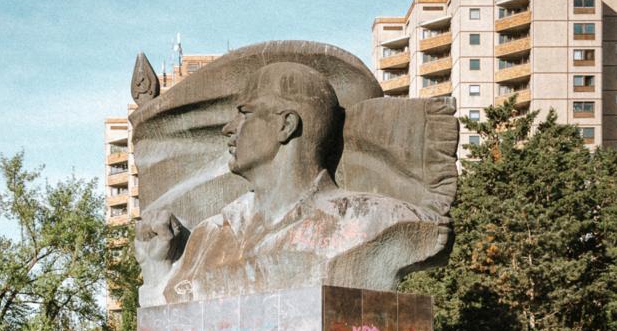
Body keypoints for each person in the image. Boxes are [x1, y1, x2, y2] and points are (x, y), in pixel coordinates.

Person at [136, 61, 442, 304]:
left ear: (286, 125)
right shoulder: (209, 236)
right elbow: (172, 330)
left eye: (245, 113)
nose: (229, 129)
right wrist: (157, 268)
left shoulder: (374, 221)